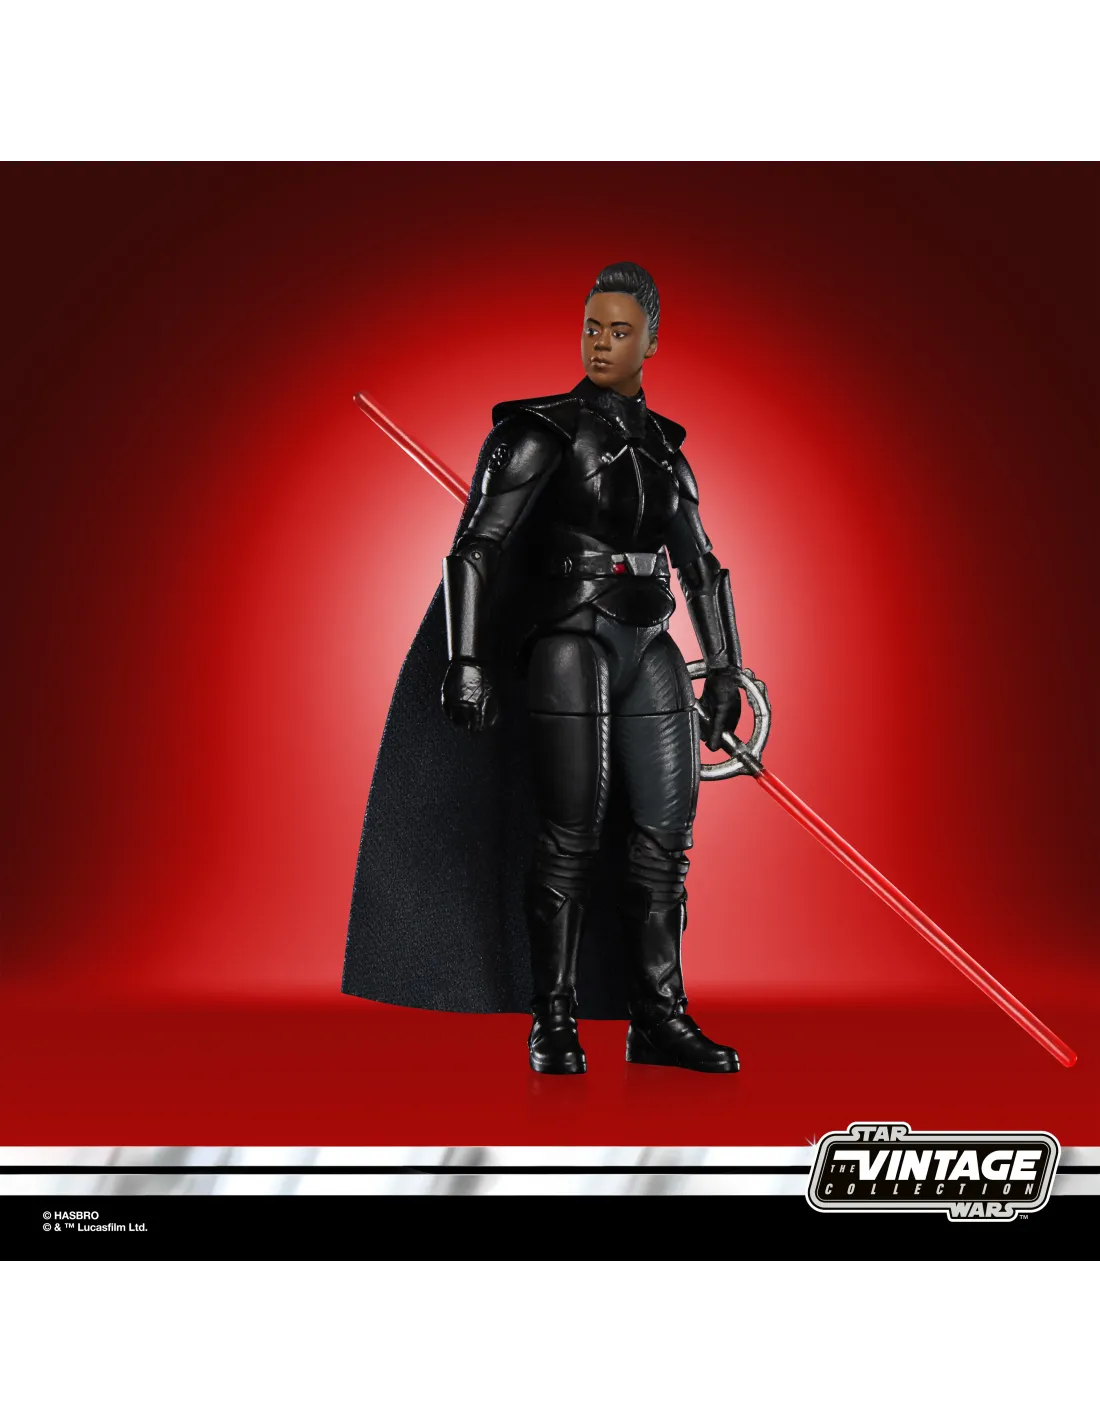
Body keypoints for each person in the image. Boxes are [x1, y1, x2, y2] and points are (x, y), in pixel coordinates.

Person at [342, 262, 749, 1076]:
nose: (601, 344)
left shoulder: (667, 452)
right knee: (571, 836)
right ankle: (553, 1021)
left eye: (620, 331)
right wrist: (465, 659)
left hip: (652, 647)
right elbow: (477, 549)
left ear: (651, 342)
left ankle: (659, 1018)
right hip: (571, 643)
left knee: (664, 842)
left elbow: (700, 565)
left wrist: (728, 667)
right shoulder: (539, 432)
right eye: (592, 328)